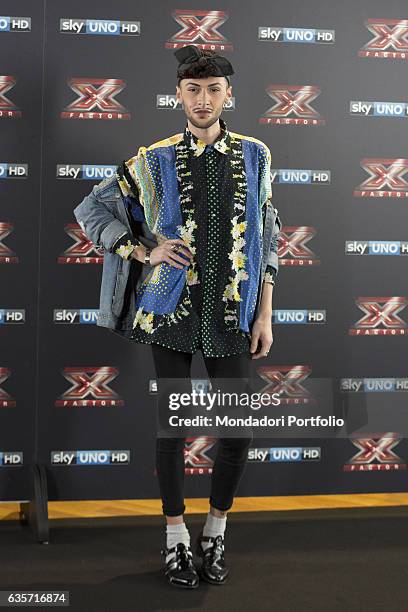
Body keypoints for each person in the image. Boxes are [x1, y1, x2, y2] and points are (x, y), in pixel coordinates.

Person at [74, 45, 281, 589]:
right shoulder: (152, 159)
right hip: (169, 312)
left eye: (213, 89)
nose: (204, 99)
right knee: (174, 430)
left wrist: (265, 312)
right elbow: (91, 208)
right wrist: (142, 251)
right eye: (193, 90)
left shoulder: (256, 154)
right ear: (178, 96)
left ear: (228, 94)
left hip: (232, 312)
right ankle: (175, 539)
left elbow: (268, 235)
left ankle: (214, 530)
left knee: (237, 434)